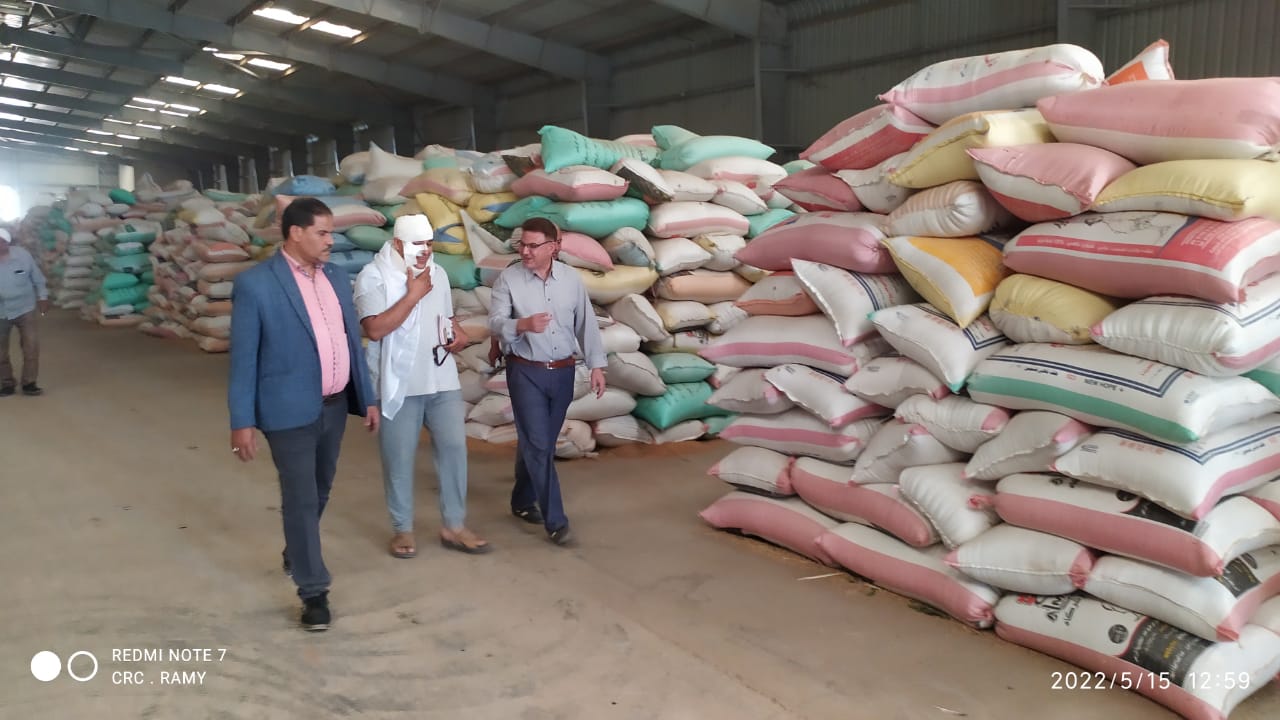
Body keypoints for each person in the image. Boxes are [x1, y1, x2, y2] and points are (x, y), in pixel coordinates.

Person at [227, 197, 378, 632]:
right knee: (301, 497)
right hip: (286, 410)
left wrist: (367, 397)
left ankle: (297, 548)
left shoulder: (336, 276)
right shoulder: (257, 284)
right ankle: (314, 591)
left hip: (334, 406)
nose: (331, 241)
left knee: (321, 487)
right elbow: (244, 360)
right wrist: (241, 421)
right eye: (322, 233)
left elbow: (351, 343)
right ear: (295, 233)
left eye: (332, 233)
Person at [354, 214, 490, 558]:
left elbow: (445, 318)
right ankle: (402, 529)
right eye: (418, 244)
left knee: (454, 450)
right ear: (398, 244)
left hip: (441, 378)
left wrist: (456, 333)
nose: (426, 250)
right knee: (399, 458)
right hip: (398, 383)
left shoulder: (438, 274)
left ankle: (454, 525)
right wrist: (413, 295)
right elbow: (374, 329)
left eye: (429, 243)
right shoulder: (373, 276)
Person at [487, 218, 606, 546]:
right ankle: (557, 522)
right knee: (539, 444)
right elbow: (495, 322)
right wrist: (522, 324)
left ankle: (522, 500)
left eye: (533, 245)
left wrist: (597, 365)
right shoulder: (509, 279)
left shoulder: (571, 279)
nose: (525, 251)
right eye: (522, 245)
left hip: (563, 372)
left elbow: (586, 324)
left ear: (553, 247)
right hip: (525, 371)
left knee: (540, 443)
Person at [0, 227, 48, 397]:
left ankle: (29, 383)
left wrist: (43, 297)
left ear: (8, 243)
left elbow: (38, 278)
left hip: (24, 308)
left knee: (31, 346)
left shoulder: (22, 256)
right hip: (1, 312)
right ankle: (7, 383)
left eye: (2, 242)